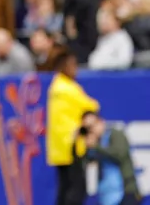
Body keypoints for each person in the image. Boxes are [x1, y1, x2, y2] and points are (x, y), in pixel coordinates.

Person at [47, 48, 98, 205]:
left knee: (64, 188)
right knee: (77, 188)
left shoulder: (54, 87)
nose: (75, 69)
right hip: (72, 145)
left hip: (58, 148)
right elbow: (92, 105)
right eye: (72, 65)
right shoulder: (68, 88)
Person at [81, 111, 142, 205]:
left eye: (92, 126)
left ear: (101, 122)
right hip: (106, 195)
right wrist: (81, 145)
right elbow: (85, 163)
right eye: (87, 128)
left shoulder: (116, 134)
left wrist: (96, 146)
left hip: (126, 192)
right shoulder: (95, 143)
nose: (91, 130)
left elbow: (120, 155)